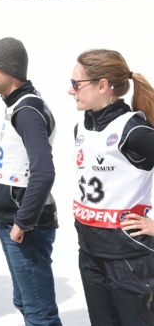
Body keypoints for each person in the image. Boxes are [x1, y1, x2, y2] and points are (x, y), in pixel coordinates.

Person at [69, 49, 154, 325]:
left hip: (127, 256)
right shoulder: (82, 128)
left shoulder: (134, 130)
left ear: (103, 85)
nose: (71, 91)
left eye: (76, 84)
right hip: (91, 251)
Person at [0, 37, 61, 325]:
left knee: (39, 310)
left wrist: (23, 220)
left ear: (9, 70)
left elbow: (44, 171)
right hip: (15, 219)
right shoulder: (19, 104)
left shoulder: (27, 110)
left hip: (25, 224)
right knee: (26, 302)